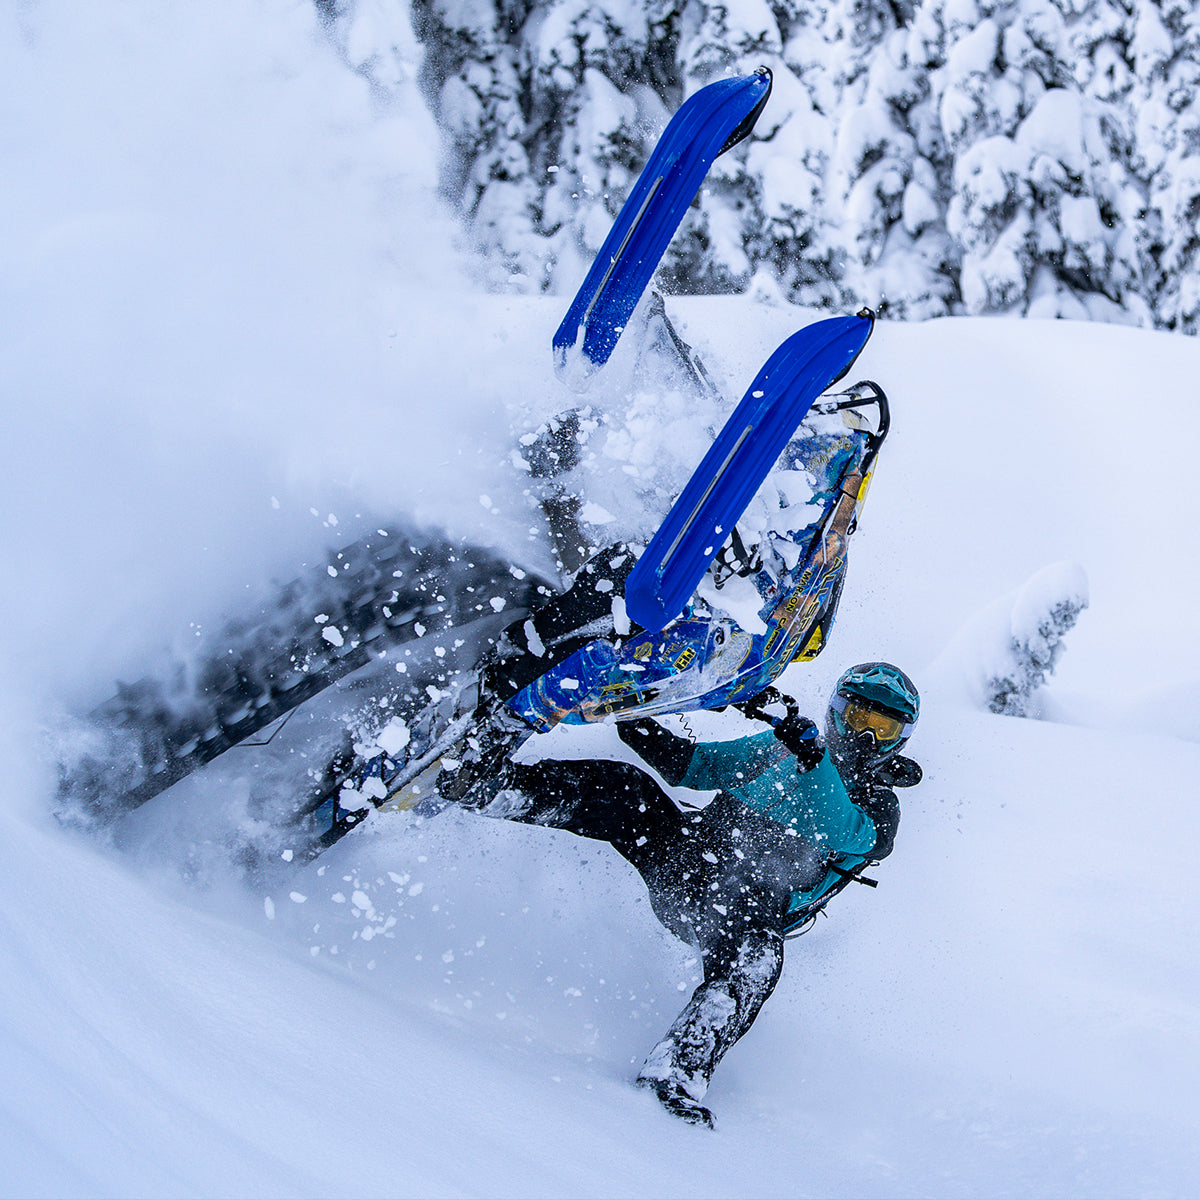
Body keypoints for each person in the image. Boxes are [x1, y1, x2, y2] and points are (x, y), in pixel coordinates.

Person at [435, 660, 922, 1128]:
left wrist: (813, 760)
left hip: (741, 912)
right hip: (690, 866)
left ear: (900, 740)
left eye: (882, 728)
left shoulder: (880, 806)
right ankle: (486, 786)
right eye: (859, 716)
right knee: (629, 790)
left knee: (759, 954)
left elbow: (838, 828)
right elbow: (692, 766)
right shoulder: (780, 749)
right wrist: (639, 707)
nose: (864, 735)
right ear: (836, 709)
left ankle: (679, 1071)